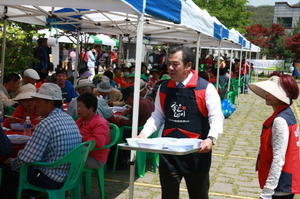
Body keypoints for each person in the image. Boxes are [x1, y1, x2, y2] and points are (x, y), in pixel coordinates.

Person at [137, 46, 224, 199]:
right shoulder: (164, 88)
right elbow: (158, 115)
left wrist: (211, 138)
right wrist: (144, 134)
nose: (170, 68)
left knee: (198, 195)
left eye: (175, 64)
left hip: (196, 152)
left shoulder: (205, 88)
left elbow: (216, 117)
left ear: (189, 65)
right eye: (168, 63)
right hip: (169, 152)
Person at [0, 83, 82, 199]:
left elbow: (28, 158)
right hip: (71, 175)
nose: (36, 105)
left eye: (39, 101)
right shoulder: (68, 118)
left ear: (51, 103)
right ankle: (30, 194)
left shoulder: (45, 124)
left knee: (4, 171)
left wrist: (12, 163)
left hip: (51, 178)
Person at [248, 73, 300, 199]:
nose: (266, 94)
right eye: (267, 90)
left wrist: (267, 192)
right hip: (284, 184)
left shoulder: (280, 121)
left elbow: (278, 159)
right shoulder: (288, 115)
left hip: (279, 187)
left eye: (271, 91)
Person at [76, 92, 110, 169]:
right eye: (78, 106)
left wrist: (80, 137)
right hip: (82, 152)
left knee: (66, 159)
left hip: (94, 158)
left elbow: (99, 142)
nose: (78, 109)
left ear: (91, 108)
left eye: (81, 107)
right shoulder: (81, 120)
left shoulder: (100, 123)